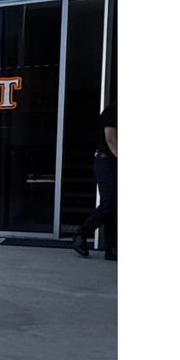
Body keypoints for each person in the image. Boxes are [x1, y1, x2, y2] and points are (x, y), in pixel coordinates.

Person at [72, 102, 117, 260]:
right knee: (109, 203)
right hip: (107, 162)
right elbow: (110, 138)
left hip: (112, 161)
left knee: (115, 205)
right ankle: (81, 235)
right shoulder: (114, 110)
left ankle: (111, 249)